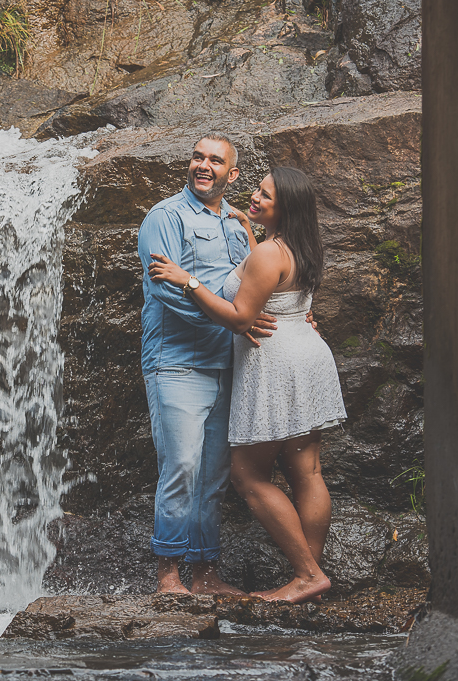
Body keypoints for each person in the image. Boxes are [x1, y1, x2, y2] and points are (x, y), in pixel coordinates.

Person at [148, 166, 347, 604]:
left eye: (265, 197)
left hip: (275, 363)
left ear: (285, 208)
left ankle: (306, 574)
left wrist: (190, 280)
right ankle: (309, 578)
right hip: (308, 356)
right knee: (307, 471)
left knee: (247, 475)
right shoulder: (301, 245)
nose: (253, 199)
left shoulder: (267, 255)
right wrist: (250, 231)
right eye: (257, 189)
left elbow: (240, 318)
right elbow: (270, 278)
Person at [137, 133, 278, 595]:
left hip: (227, 366)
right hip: (177, 363)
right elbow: (165, 291)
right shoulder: (165, 216)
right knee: (180, 466)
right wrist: (236, 321)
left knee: (214, 476)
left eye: (215, 161)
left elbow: (256, 287)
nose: (204, 165)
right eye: (198, 157)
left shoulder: (238, 228)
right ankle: (169, 576)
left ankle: (205, 574)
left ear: (231, 174)